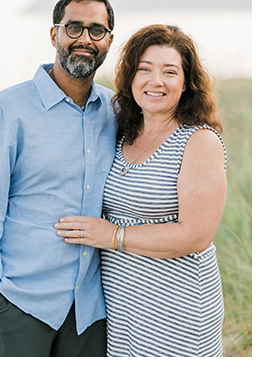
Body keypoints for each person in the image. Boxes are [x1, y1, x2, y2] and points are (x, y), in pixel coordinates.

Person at [0, 0, 116, 357]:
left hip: (89, 310)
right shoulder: (7, 109)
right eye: (73, 28)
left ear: (108, 40)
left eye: (96, 31)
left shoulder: (116, 109)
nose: (84, 39)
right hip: (19, 302)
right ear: (54, 34)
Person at [51, 24, 229, 357]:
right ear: (130, 77)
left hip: (177, 311)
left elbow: (196, 235)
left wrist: (113, 236)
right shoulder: (122, 133)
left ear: (187, 82)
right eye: (144, 69)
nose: (155, 81)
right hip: (123, 311)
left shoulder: (198, 141)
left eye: (169, 72)